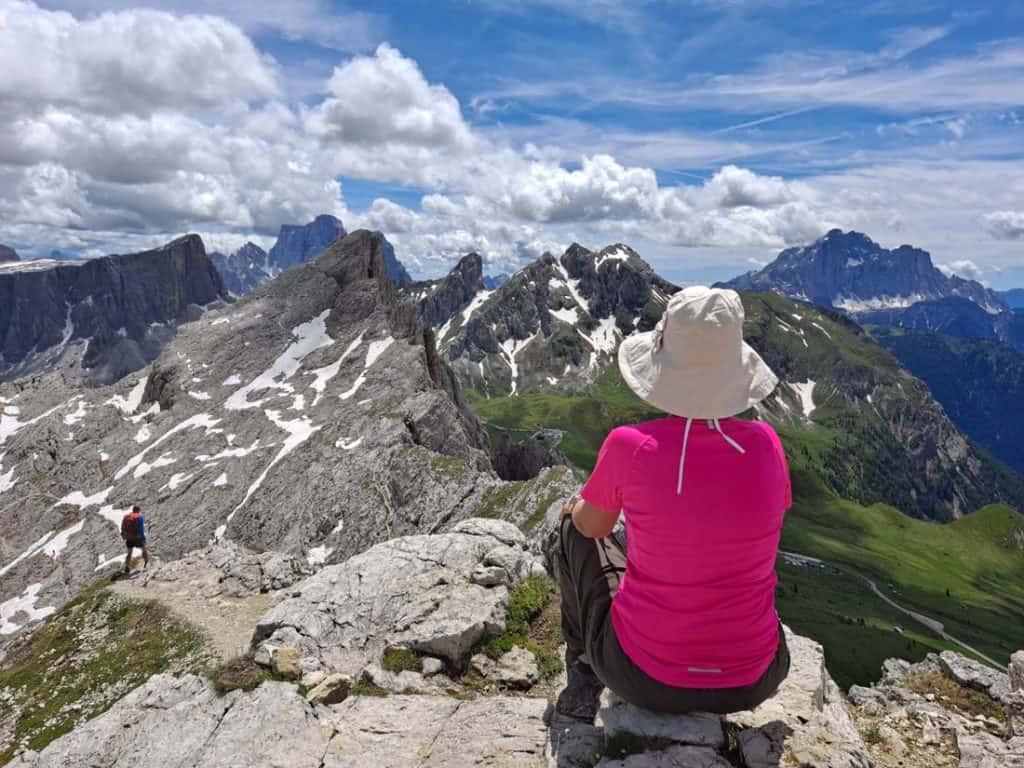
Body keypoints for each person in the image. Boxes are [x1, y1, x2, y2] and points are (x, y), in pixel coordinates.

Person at [552, 286, 792, 721]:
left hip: (645, 677)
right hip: (756, 677)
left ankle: (583, 668)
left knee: (571, 529)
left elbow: (592, 529)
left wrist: (576, 509)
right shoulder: (767, 444)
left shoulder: (630, 445)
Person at [120, 504, 149, 574]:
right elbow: (141, 529)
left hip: (129, 538)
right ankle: (146, 564)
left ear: (133, 510)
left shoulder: (126, 517)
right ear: (138, 510)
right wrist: (143, 537)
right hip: (138, 538)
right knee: (144, 549)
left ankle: (127, 567)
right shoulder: (140, 517)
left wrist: (125, 536)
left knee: (129, 553)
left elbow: (122, 528)